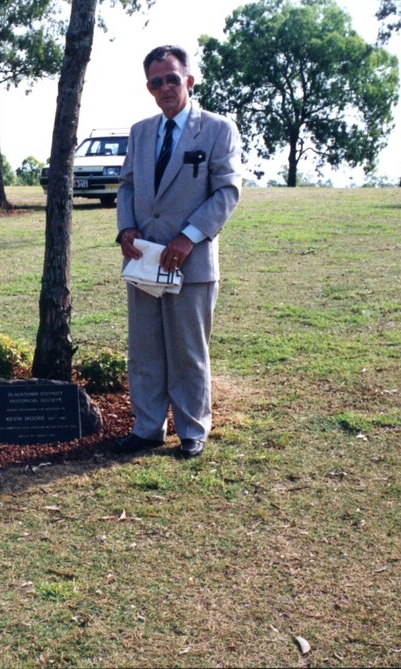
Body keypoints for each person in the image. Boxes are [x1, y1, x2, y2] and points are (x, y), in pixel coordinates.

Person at [115, 44, 242, 459]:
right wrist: (126, 229)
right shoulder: (140, 131)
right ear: (148, 87)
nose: (165, 87)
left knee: (189, 350)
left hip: (191, 262)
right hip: (144, 260)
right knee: (146, 349)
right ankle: (147, 427)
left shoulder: (218, 129)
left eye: (172, 78)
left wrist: (188, 236)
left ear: (189, 79)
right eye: (156, 81)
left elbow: (227, 191)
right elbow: (129, 186)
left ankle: (192, 429)